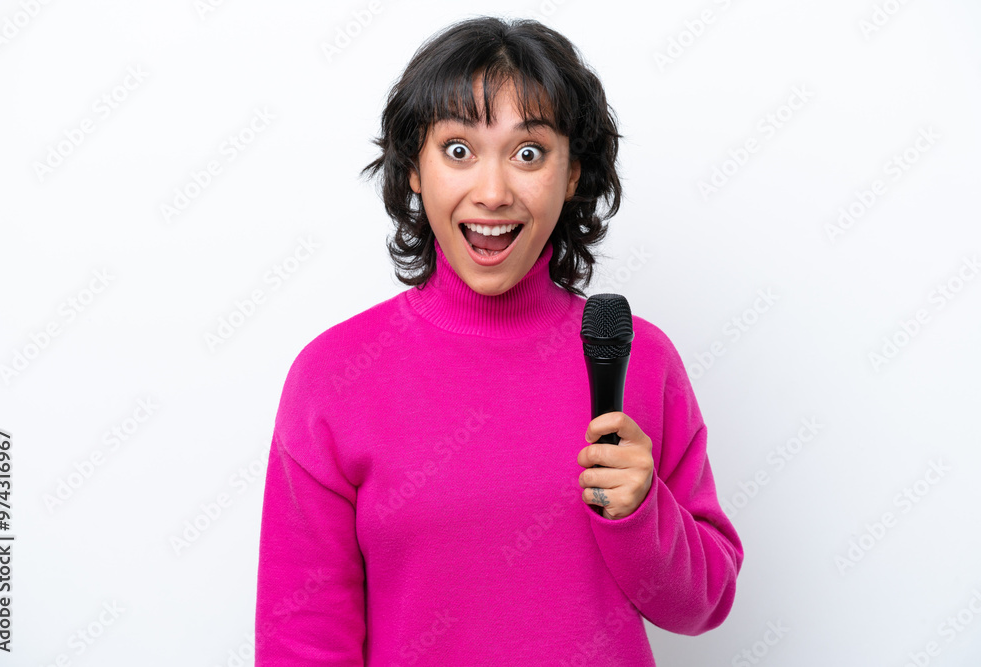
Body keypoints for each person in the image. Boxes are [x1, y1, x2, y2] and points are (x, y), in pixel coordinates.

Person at [255, 15, 743, 666]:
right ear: (415, 169)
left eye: (528, 153)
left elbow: (705, 603)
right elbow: (301, 642)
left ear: (573, 174)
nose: (492, 193)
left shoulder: (639, 359)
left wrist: (641, 511)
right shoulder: (332, 377)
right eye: (459, 150)